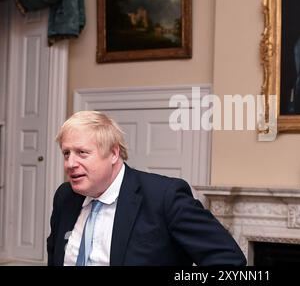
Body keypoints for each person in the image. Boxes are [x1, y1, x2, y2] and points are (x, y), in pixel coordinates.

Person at [47, 110, 246, 266]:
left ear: (114, 153)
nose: (70, 163)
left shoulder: (164, 197)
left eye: (82, 152)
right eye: (66, 153)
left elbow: (228, 260)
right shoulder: (66, 196)